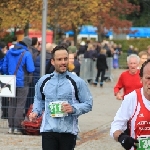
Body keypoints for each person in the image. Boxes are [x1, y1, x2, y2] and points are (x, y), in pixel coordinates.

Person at [29, 45, 93, 150]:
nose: (63, 62)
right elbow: (39, 99)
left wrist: (73, 109)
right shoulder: (44, 81)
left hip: (68, 131)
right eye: (59, 59)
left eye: (65, 59)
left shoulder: (77, 81)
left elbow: (88, 103)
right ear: (52, 62)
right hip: (48, 130)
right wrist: (36, 112)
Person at [110, 59, 150, 150]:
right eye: (148, 78)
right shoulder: (131, 98)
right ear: (141, 79)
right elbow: (115, 126)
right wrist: (122, 137)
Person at [2, 36, 35, 134]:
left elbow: (4, 66)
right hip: (22, 82)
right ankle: (17, 127)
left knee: (11, 104)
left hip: (10, 82)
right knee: (20, 104)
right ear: (28, 45)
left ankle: (10, 127)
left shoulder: (9, 51)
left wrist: (9, 74)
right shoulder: (26, 54)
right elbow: (30, 69)